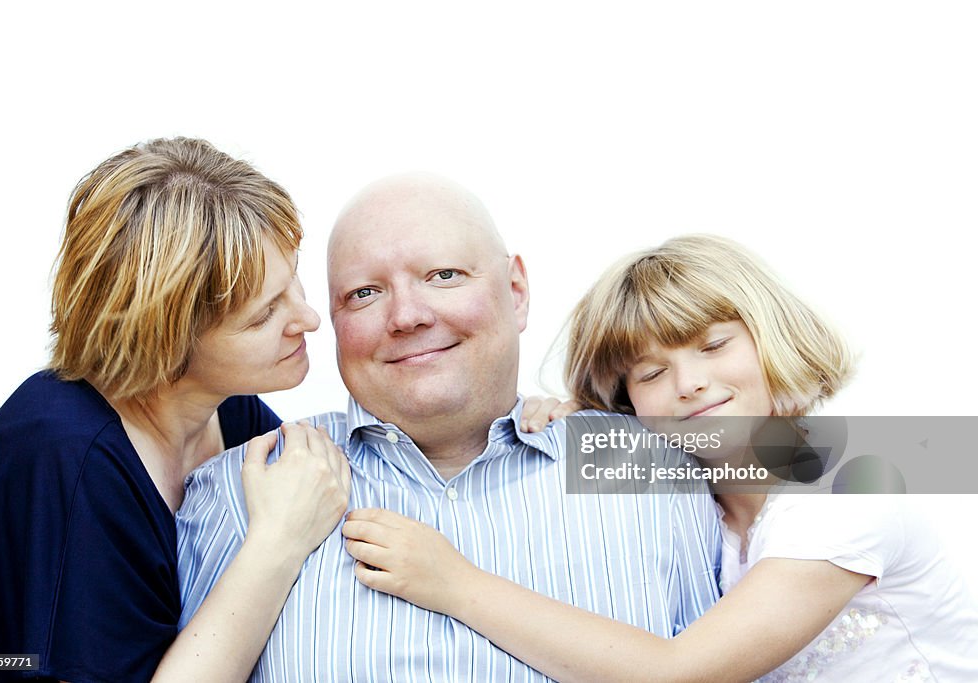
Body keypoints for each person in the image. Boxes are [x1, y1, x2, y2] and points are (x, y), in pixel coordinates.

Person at [342, 234, 978, 682]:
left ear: (770, 335)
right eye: (651, 372)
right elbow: (515, 453)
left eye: (713, 345)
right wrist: (573, 418)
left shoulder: (848, 481)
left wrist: (453, 584)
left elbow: (680, 674)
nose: (689, 383)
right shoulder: (699, 480)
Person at [176, 174, 722, 681]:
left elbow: (806, 461)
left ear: (515, 291)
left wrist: (604, 417)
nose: (407, 315)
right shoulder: (240, 489)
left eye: (443, 276)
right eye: (364, 293)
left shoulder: (655, 457)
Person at [0, 138, 350, 683]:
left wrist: (504, 419)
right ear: (163, 342)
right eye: (263, 316)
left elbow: (335, 484)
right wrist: (276, 543)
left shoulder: (225, 413)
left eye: (293, 281)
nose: (307, 318)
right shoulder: (71, 462)